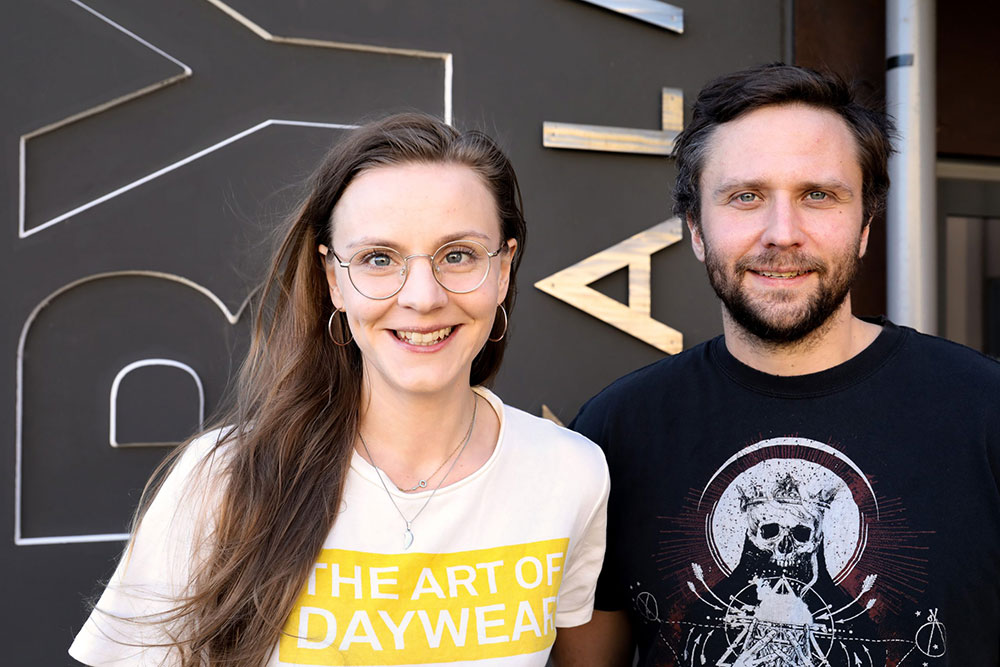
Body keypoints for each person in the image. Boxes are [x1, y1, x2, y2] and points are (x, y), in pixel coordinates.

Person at [70, 113, 609, 667]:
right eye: (379, 259)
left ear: (503, 270)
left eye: (458, 255)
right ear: (334, 279)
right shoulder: (224, 481)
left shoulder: (571, 473)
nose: (422, 297)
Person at [560, 64, 1000, 666]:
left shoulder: (985, 413)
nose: (783, 233)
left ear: (865, 226)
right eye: (746, 196)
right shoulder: (616, 432)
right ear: (696, 229)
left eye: (818, 195)